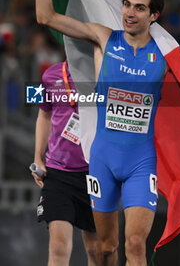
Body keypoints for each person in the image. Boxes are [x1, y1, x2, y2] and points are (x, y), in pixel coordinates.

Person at [18, 0, 180, 266]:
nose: (130, 13)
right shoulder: (104, 39)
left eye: (140, 8)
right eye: (127, 5)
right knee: (105, 250)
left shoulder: (164, 56)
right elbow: (47, 18)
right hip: (101, 159)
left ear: (154, 16)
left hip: (139, 162)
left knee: (135, 244)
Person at [32, 60, 97, 266]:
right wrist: (38, 157)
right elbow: (43, 114)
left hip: (96, 174)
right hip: (58, 173)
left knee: (98, 251)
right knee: (59, 246)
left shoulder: (105, 74)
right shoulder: (49, 76)